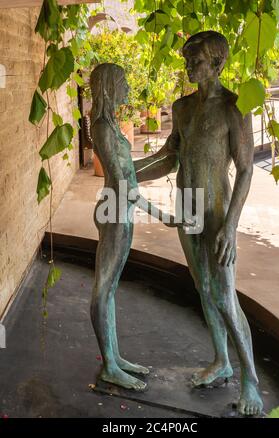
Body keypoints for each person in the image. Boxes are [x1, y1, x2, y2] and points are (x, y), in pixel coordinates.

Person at [134, 31, 263, 416]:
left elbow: (244, 170)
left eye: (197, 61)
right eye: (187, 61)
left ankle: (251, 383)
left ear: (218, 63)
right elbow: (169, 157)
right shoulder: (183, 107)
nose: (189, 67)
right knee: (204, 288)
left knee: (225, 296)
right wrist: (128, 172)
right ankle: (222, 360)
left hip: (218, 210)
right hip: (187, 207)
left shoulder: (234, 107)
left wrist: (231, 226)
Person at [90, 63, 190, 391]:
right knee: (104, 287)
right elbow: (122, 184)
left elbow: (128, 171)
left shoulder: (110, 125)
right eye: (122, 84)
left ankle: (115, 358)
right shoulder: (103, 128)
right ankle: (109, 365)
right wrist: (163, 215)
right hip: (115, 211)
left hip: (119, 209)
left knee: (110, 287)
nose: (128, 90)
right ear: (107, 87)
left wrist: (163, 159)